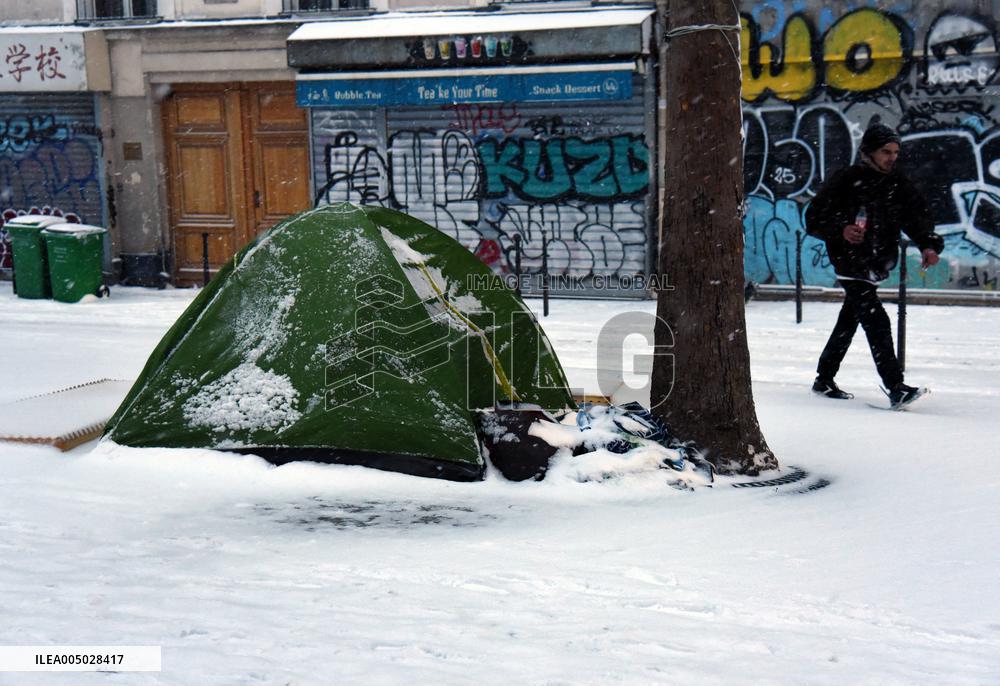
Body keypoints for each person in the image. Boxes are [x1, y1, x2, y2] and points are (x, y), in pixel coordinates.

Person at [805, 123, 944, 408]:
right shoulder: (847, 179)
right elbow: (814, 217)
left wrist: (928, 244)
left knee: (850, 319)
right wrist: (841, 228)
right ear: (868, 152)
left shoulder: (897, 184)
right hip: (849, 261)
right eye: (886, 152)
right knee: (876, 319)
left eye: (896, 152)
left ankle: (824, 378)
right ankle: (895, 386)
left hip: (877, 264)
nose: (892, 157)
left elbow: (916, 217)